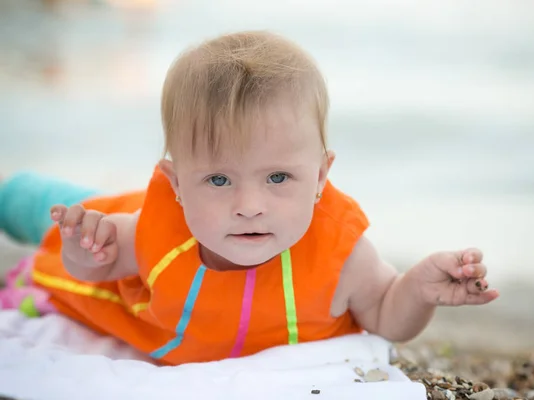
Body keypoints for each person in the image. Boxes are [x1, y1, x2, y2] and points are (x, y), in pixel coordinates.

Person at [0, 30, 499, 365]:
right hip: (133, 214)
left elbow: (388, 315)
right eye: (219, 179)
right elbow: (97, 269)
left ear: (322, 176)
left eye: (279, 178)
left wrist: (420, 289)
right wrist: (82, 254)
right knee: (61, 211)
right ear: (175, 184)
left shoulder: (341, 257)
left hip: (186, 215)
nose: (249, 205)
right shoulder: (158, 231)